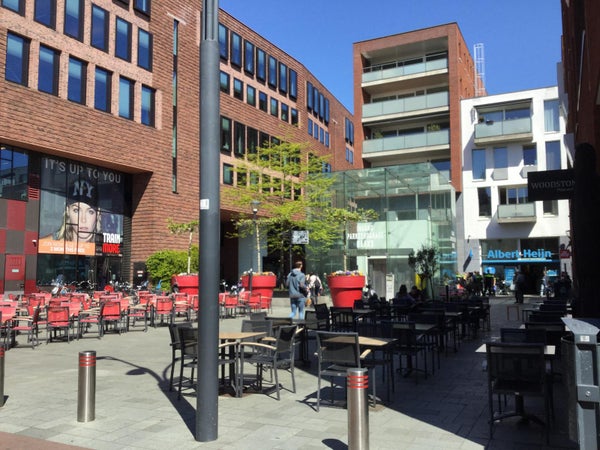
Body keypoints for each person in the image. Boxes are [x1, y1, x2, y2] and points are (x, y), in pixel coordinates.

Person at [41, 178, 101, 243]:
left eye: (90, 212)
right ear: (68, 210)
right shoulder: (46, 244)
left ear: (97, 213)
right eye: (76, 210)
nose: (83, 220)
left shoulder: (105, 246)